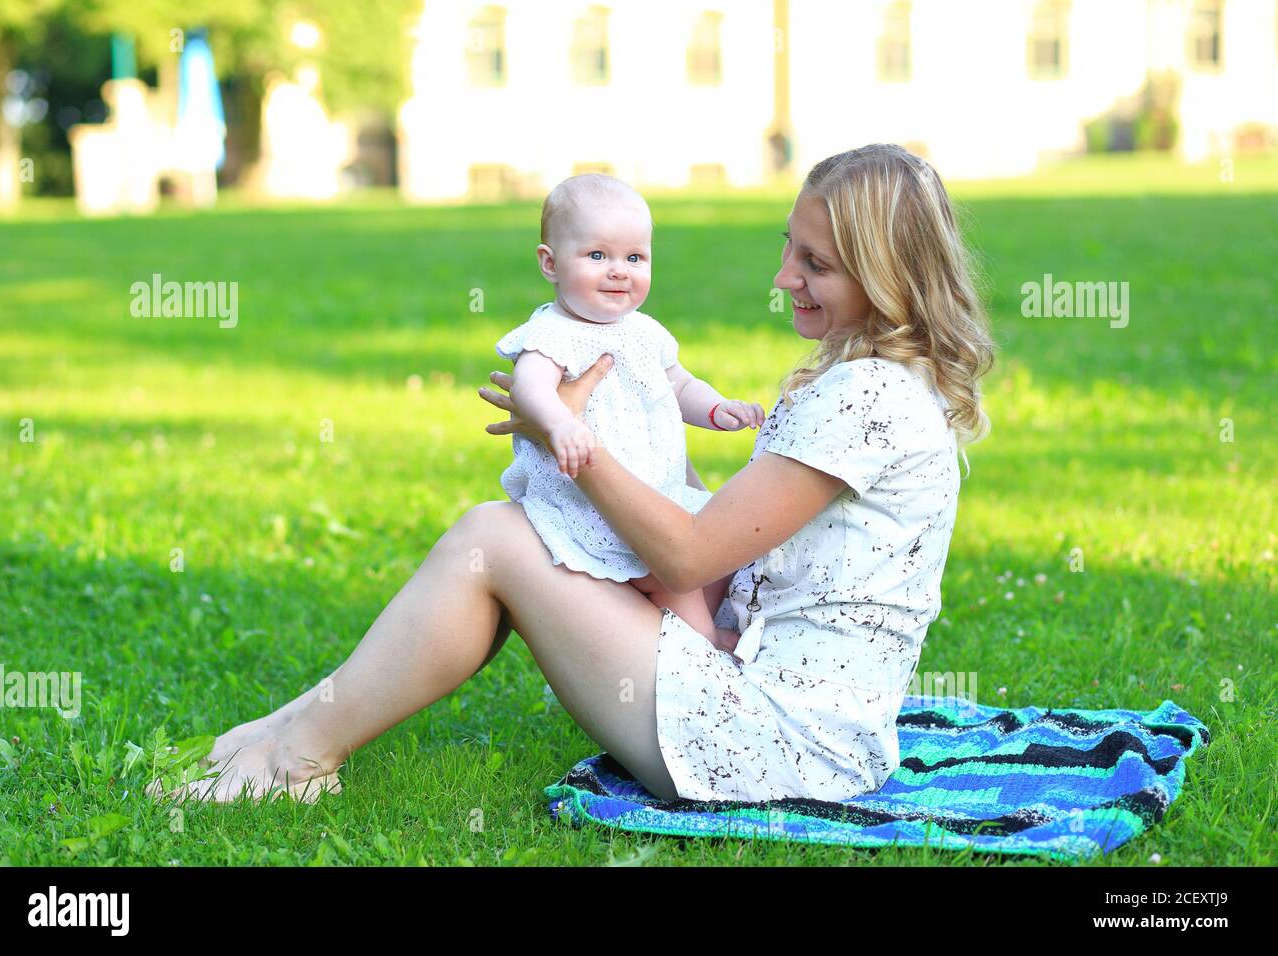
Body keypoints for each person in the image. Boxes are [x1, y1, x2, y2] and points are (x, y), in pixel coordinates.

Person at [149, 143, 994, 805]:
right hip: (779, 699)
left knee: (494, 538)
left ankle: (299, 756)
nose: (783, 279)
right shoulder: (871, 380)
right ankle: (288, 735)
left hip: (785, 746)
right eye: (790, 250)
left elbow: (691, 555)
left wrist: (574, 445)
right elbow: (722, 524)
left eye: (815, 264)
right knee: (510, 535)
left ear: (886, 274)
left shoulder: (866, 400)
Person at [496, 172, 763, 650]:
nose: (619, 270)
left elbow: (678, 383)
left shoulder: (642, 331)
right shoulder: (554, 334)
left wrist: (716, 408)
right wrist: (559, 423)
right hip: (589, 509)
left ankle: (709, 644)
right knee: (680, 610)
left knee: (705, 568)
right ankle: (712, 657)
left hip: (652, 501)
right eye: (597, 255)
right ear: (550, 263)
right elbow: (529, 388)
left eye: (634, 257)